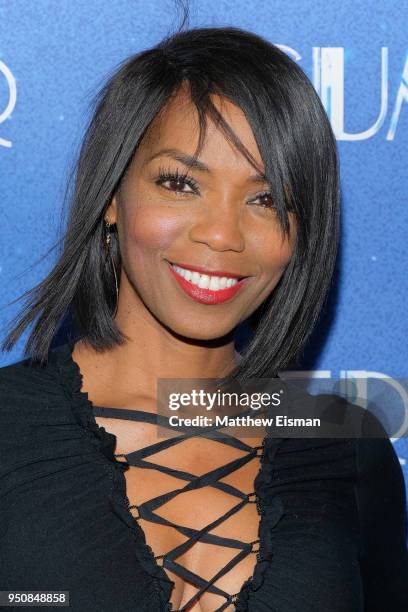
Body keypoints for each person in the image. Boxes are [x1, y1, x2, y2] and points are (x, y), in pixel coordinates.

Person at [0, 26, 407, 612]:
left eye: (267, 199)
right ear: (113, 195)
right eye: (180, 183)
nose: (220, 233)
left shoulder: (346, 444)